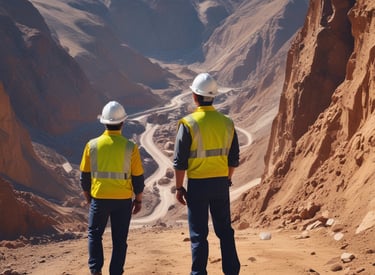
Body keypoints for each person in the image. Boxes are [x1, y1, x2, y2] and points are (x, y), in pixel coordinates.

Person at [173, 73, 241, 275]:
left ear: (195, 96)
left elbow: (179, 161)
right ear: (214, 96)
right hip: (220, 184)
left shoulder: (188, 124)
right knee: (225, 232)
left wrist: (178, 187)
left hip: (197, 186)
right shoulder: (227, 123)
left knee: (198, 234)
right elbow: (234, 158)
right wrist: (227, 178)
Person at [79, 101, 145, 275]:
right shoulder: (131, 147)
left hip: (99, 198)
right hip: (123, 200)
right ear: (123, 123)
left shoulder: (91, 145)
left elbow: (84, 176)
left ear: (104, 122)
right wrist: (138, 199)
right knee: (119, 240)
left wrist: (88, 197)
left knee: (94, 234)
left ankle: (95, 270)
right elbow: (138, 177)